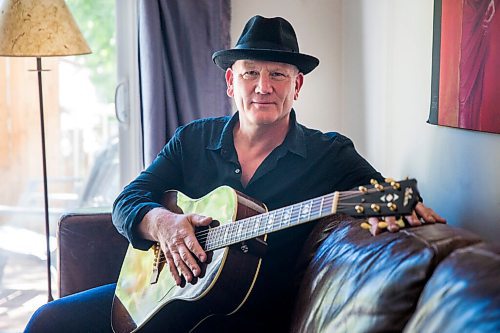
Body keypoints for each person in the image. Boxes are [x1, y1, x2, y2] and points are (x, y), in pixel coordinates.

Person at [25, 15, 445, 333]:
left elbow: (380, 193)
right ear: (231, 81)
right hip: (162, 294)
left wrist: (402, 208)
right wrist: (165, 223)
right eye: (250, 73)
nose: (263, 86)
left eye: (278, 74)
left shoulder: (329, 154)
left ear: (297, 86)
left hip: (243, 315)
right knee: (48, 321)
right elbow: (129, 201)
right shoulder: (193, 140)